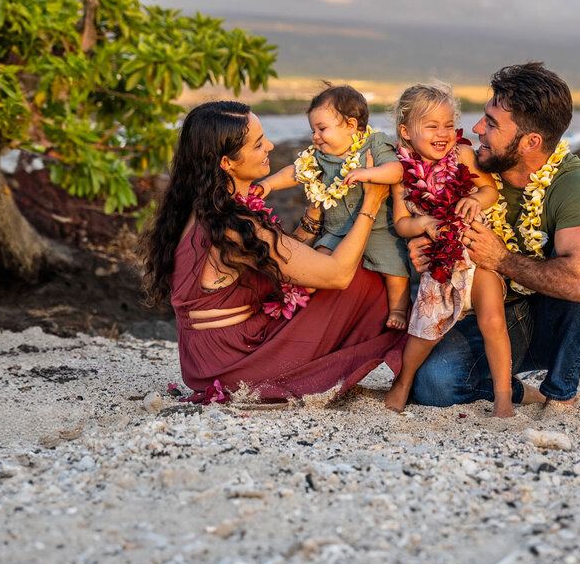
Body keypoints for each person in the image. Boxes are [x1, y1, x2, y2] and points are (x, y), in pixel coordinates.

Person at [141, 100, 405, 403]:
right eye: (257, 144)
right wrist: (371, 204)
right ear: (226, 163)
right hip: (233, 361)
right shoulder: (234, 225)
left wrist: (312, 219)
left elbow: (282, 261)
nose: (269, 145)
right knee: (370, 274)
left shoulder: (205, 209)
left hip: (206, 360)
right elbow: (338, 275)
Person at [408, 63, 580, 410]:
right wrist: (426, 254)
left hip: (558, 324)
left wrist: (501, 259)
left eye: (491, 123)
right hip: (494, 315)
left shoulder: (571, 182)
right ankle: (521, 393)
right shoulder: (469, 170)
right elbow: (434, 230)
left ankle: (560, 393)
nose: (475, 128)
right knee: (433, 386)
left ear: (531, 141)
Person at [345, 84, 513, 417]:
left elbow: (489, 190)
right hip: (439, 265)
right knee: (426, 329)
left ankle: (504, 396)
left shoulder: (462, 155)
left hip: (474, 253)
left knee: (493, 320)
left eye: (449, 125)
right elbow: (402, 223)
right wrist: (424, 224)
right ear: (406, 131)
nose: (444, 133)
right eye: (432, 126)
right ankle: (404, 381)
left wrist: (473, 198)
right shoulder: (401, 173)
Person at [259, 84, 410, 330]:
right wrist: (267, 185)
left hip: (379, 229)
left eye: (321, 129)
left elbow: (396, 170)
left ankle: (399, 309)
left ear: (351, 126)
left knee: (396, 270)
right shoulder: (317, 157)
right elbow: (295, 173)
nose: (315, 136)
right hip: (335, 230)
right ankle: (300, 306)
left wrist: (369, 173)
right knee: (316, 265)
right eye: (313, 130)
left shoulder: (374, 144)